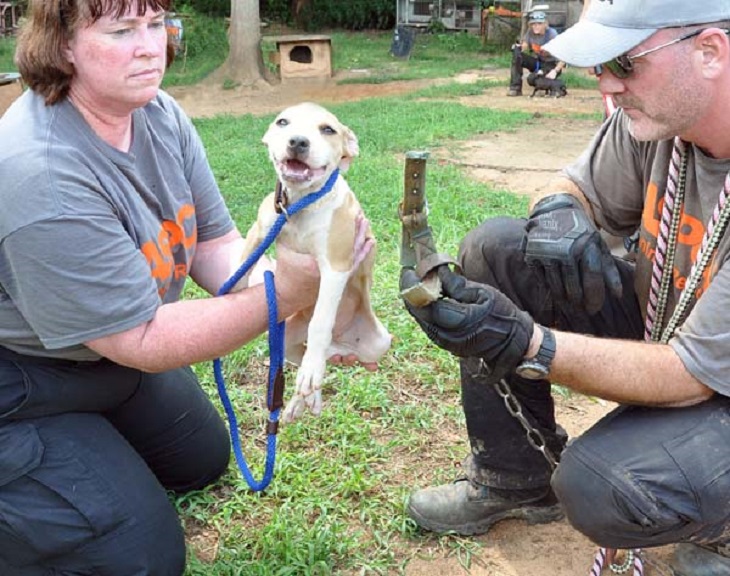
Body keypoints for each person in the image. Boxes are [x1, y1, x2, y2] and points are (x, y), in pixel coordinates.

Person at [0, 1, 372, 574]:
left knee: (201, 461)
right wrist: (286, 294)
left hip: (104, 358)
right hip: (24, 379)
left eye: (155, 25)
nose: (151, 47)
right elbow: (143, 341)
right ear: (63, 45)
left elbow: (213, 244)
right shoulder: (40, 170)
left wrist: (320, 297)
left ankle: (88, 440)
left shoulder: (157, 112)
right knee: (141, 557)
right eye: (122, 30)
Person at [401, 1, 730, 574]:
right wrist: (560, 211)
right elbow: (572, 185)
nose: (604, 81)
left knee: (601, 485)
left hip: (709, 378)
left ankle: (720, 528)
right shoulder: (662, 122)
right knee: (494, 251)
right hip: (675, 329)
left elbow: (691, 376)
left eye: (623, 62)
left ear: (709, 52)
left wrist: (527, 344)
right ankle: (515, 476)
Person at [507, 10, 566, 97]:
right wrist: (518, 48)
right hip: (538, 62)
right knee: (517, 55)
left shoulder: (552, 35)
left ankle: (557, 86)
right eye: (533, 24)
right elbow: (525, 45)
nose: (536, 26)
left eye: (539, 24)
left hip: (552, 64)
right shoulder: (530, 32)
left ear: (545, 24)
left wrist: (555, 71)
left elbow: (564, 56)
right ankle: (515, 88)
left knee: (532, 79)